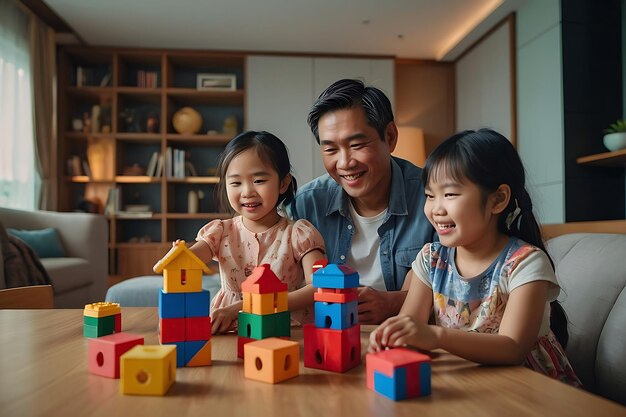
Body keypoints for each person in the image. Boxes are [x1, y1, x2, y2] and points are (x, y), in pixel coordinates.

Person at [368, 129, 581, 387]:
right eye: (429, 195)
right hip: (468, 380)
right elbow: (409, 321)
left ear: (498, 200)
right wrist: (392, 334)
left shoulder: (524, 263)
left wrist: (435, 336)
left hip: (530, 387)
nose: (435, 209)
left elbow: (512, 348)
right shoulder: (431, 259)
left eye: (450, 194)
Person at [288, 79, 435, 324]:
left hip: (407, 340)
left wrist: (393, 303)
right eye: (331, 150)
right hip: (326, 339)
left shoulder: (432, 198)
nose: (345, 163)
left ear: (389, 137)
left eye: (356, 145)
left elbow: (458, 288)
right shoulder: (306, 205)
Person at [181, 131, 326, 334]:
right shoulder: (219, 231)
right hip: (228, 330)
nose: (247, 191)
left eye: (258, 181)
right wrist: (180, 255)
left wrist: (241, 307)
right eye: (236, 183)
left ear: (283, 183)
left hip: (283, 330)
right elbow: (189, 261)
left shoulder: (299, 233)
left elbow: (319, 287)